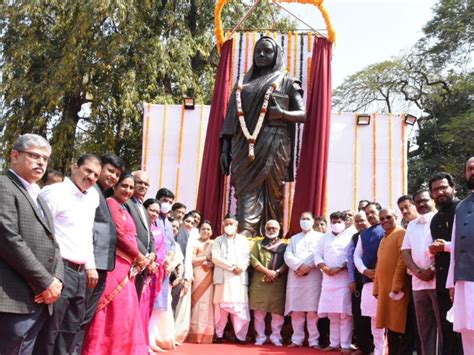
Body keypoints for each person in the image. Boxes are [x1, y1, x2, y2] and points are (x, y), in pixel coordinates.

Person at [220, 36, 306, 237]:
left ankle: (270, 239)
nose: (261, 55)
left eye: (267, 51)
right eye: (258, 51)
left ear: (276, 55)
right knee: (244, 191)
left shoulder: (286, 81)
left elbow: (303, 114)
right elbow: (231, 117)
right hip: (243, 146)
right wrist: (225, 149)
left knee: (273, 193)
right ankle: (245, 235)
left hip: (275, 144)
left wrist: (283, 114)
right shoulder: (241, 83)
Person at [0, 134, 63, 355]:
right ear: (15, 156)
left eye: (45, 159)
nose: (41, 163)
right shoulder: (3, 185)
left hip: (40, 297)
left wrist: (57, 281)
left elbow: (54, 243)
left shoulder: (40, 198)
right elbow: (8, 238)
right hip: (13, 296)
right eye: (34, 156)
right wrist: (45, 282)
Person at [34, 154, 102, 355]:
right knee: (49, 330)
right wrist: (46, 275)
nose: (90, 177)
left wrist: (90, 265)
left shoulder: (93, 197)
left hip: (81, 274)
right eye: (87, 170)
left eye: (95, 175)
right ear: (74, 167)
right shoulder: (54, 192)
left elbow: (86, 234)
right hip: (59, 269)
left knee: (71, 329)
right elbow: (42, 233)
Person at [81, 173, 149, 355]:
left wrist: (141, 257)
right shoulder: (111, 204)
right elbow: (120, 235)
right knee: (113, 312)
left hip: (127, 267)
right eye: (123, 186)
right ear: (115, 186)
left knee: (125, 315)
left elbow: (132, 237)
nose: (127, 190)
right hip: (116, 267)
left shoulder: (123, 208)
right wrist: (140, 257)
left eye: (130, 187)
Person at [75, 153, 124, 354]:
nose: (113, 177)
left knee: (84, 317)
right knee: (76, 319)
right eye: (109, 171)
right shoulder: (90, 192)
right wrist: (90, 264)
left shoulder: (103, 195)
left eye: (117, 174)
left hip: (101, 266)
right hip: (89, 266)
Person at [401, 188, 442, 355]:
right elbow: (405, 252)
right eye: (418, 202)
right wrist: (418, 272)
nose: (422, 204)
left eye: (425, 200)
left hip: (438, 281)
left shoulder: (440, 220)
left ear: (432, 200)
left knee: (442, 326)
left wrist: (432, 269)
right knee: (424, 329)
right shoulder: (411, 225)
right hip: (418, 284)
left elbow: (445, 248)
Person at [428, 172, 463, 354]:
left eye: (443, 187)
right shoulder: (436, 218)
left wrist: (445, 247)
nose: (440, 192)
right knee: (447, 330)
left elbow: (467, 244)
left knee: (465, 330)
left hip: (463, 281)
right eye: (435, 190)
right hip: (442, 282)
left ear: (453, 188)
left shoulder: (464, 210)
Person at [314, 211, 353, 353]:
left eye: (339, 221)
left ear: (344, 222)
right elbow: (317, 254)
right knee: (332, 315)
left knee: (344, 315)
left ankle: (345, 345)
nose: (336, 224)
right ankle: (333, 343)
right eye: (333, 222)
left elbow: (352, 255)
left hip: (343, 279)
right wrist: (324, 267)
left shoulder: (350, 237)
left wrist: (340, 267)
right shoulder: (324, 238)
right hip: (328, 280)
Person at [373, 208, 411, 355]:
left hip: (397, 290)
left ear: (396, 217)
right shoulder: (384, 238)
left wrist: (396, 285)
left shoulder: (401, 233)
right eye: (381, 219)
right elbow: (379, 264)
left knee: (399, 326)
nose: (385, 221)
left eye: (388, 217)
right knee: (389, 326)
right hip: (384, 290)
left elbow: (402, 261)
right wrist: (376, 288)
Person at [284, 212, 324, 348]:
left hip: (313, 277)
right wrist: (299, 266)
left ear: (313, 221)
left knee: (313, 312)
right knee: (296, 311)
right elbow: (288, 255)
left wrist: (307, 266)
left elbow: (319, 254)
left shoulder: (321, 237)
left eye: (308, 219)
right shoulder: (294, 238)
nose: (305, 221)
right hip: (296, 278)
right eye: (303, 219)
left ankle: (314, 341)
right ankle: (297, 340)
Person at [447, 156, 474, 351]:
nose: (473, 172)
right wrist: (451, 283)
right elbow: (456, 247)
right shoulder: (461, 207)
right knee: (467, 330)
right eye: (470, 169)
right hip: (464, 281)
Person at [212, 214, 251, 343]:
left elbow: (247, 257)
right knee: (221, 309)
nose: (229, 226)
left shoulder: (243, 240)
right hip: (223, 278)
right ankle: (219, 335)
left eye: (231, 224)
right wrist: (232, 267)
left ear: (236, 225)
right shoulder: (218, 240)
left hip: (238, 278)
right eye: (226, 224)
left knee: (239, 309)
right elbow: (215, 258)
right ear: (223, 225)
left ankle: (240, 337)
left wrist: (241, 267)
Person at [353, 203, 386, 355]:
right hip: (369, 281)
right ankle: (378, 351)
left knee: (390, 318)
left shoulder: (389, 229)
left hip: (387, 281)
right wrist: (365, 271)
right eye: (368, 213)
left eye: (373, 212)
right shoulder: (363, 234)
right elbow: (357, 256)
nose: (370, 215)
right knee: (374, 319)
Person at [249, 220, 288, 346]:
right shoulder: (258, 244)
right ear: (264, 229)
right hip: (260, 281)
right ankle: (260, 336)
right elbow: (253, 260)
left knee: (277, 312)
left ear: (279, 230)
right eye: (269, 228)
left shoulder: (284, 245)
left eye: (274, 228)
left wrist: (276, 273)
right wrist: (267, 272)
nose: (271, 230)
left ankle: (276, 336)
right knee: (259, 311)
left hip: (277, 282)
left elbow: (287, 262)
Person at [125, 170, 155, 298]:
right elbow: (130, 234)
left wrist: (153, 253)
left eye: (146, 184)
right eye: (140, 182)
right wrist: (147, 256)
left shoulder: (142, 206)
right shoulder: (126, 203)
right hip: (132, 260)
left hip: (143, 264)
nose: (143, 186)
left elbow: (150, 234)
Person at [347, 211, 374, 355]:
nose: (360, 224)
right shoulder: (355, 237)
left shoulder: (376, 233)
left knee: (374, 316)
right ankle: (364, 347)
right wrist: (351, 279)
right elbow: (351, 258)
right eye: (357, 221)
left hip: (374, 278)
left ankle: (376, 347)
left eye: (362, 220)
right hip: (358, 280)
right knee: (359, 314)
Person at [140, 198, 166, 347]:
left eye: (157, 211)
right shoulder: (139, 227)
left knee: (147, 309)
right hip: (138, 273)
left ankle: (143, 343)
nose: (154, 214)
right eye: (152, 210)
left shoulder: (158, 232)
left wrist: (154, 263)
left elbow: (161, 252)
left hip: (151, 277)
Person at [187, 221, 215, 344]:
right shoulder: (194, 242)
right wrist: (206, 259)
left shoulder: (214, 243)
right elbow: (191, 259)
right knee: (195, 304)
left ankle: (205, 334)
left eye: (208, 229)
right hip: (197, 275)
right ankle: (192, 332)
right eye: (203, 229)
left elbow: (217, 260)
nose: (206, 231)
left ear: (212, 232)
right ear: (200, 230)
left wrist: (211, 263)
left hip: (209, 276)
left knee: (206, 305)